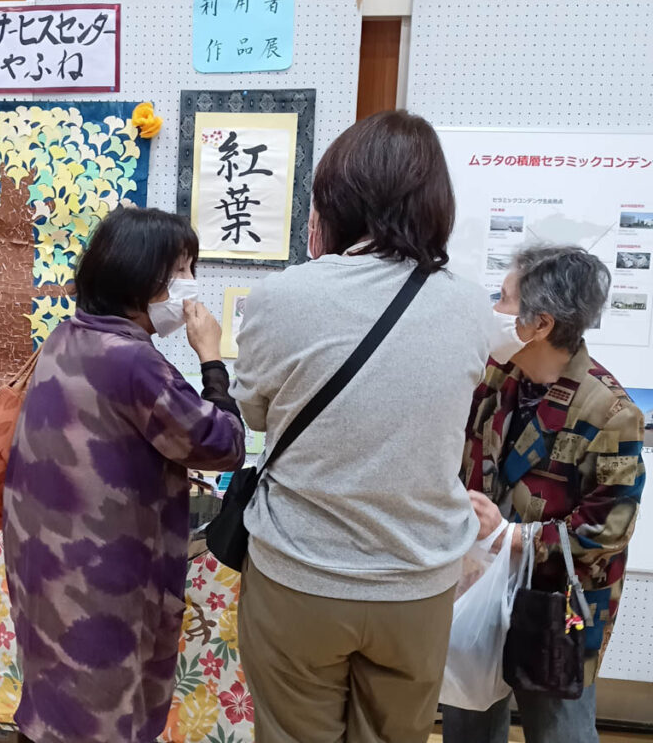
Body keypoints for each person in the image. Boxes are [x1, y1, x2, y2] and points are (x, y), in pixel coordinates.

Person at [233, 110, 494, 743]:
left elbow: (253, 416)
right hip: (419, 580)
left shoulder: (281, 296)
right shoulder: (469, 304)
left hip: (299, 572)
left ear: (334, 200)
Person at [3, 207, 246, 743]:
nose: (188, 286)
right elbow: (221, 443)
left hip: (46, 563)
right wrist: (212, 358)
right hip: (101, 572)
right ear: (143, 278)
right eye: (180, 271)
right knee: (102, 711)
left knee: (54, 699)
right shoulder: (134, 361)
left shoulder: (66, 336)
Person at [444, 245, 646, 743]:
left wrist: (512, 536)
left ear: (541, 324)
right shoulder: (493, 375)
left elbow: (606, 531)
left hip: (558, 607)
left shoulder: (611, 411)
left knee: (561, 731)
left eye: (506, 298)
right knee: (467, 722)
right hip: (476, 586)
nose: (495, 308)